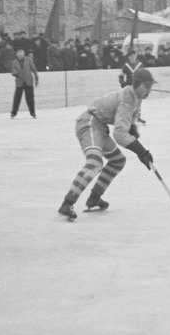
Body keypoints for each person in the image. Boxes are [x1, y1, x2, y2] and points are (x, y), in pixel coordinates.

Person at [58, 67, 156, 220]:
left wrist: (132, 127)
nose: (149, 90)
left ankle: (94, 197)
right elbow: (119, 134)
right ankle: (67, 203)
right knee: (94, 163)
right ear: (136, 84)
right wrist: (141, 151)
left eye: (150, 87)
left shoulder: (137, 98)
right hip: (89, 123)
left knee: (118, 161)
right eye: (146, 86)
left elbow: (128, 120)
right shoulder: (127, 98)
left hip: (100, 127)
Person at [10, 47, 39, 118]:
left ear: (23, 53)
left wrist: (36, 78)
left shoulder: (28, 59)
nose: (20, 54)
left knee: (30, 98)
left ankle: (32, 112)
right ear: (16, 54)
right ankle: (13, 112)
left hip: (28, 81)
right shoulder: (14, 62)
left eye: (21, 52)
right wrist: (15, 73)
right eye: (18, 53)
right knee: (17, 98)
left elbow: (33, 69)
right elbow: (12, 70)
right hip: (19, 82)